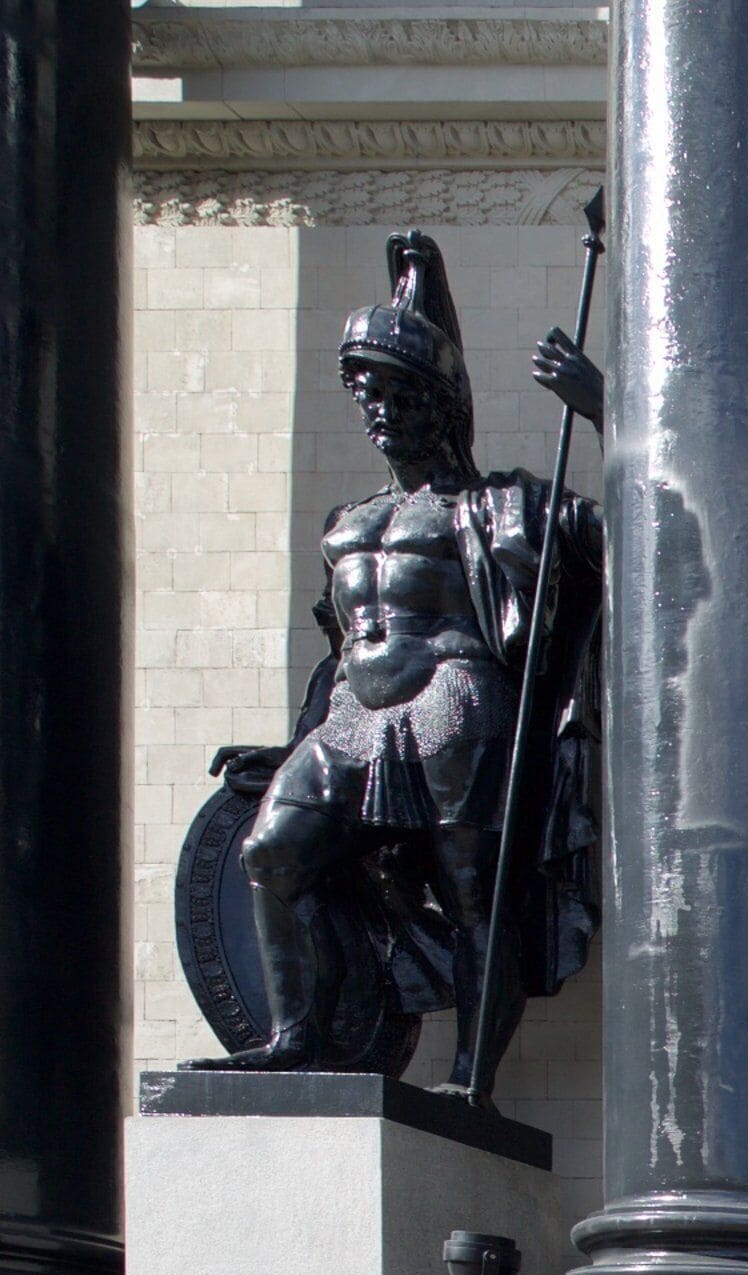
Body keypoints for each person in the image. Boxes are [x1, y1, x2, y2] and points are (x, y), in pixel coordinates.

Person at [188, 230, 605, 1103]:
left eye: (397, 392)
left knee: (473, 899)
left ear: (441, 401)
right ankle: (298, 1038)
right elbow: (336, 648)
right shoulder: (346, 521)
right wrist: (292, 745)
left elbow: (656, 528)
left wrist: (605, 410)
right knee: (271, 854)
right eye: (366, 393)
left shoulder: (510, 507)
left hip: (458, 702)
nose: (379, 410)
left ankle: (469, 1083)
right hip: (354, 713)